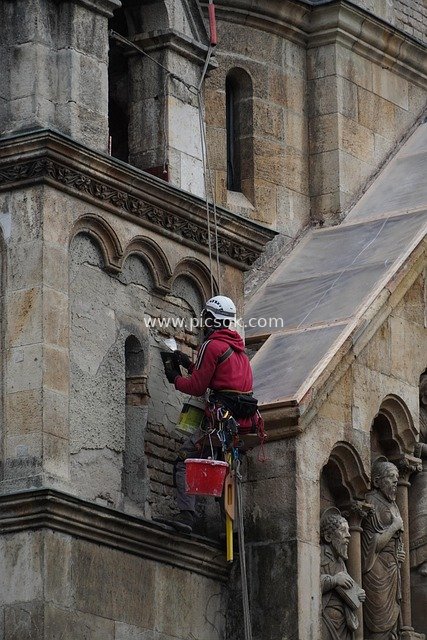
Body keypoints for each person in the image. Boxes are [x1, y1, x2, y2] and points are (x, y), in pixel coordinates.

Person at [162, 295, 259, 533]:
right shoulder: (240, 353)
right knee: (223, 469)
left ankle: (187, 515)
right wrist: (188, 363)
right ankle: (233, 531)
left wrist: (175, 378)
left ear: (212, 320)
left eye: (206, 318)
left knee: (185, 459)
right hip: (240, 424)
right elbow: (220, 378)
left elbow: (197, 386)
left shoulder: (211, 345)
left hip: (219, 423)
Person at [362, 459, 404, 640]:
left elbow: (397, 538)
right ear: (377, 481)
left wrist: (399, 553)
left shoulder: (393, 504)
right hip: (375, 568)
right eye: (390, 477)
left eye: (397, 478)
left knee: (391, 625)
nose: (395, 481)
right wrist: (394, 527)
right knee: (378, 622)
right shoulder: (371, 501)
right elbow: (370, 543)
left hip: (392, 567)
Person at [320, 508, 365, 640]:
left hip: (343, 623)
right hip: (326, 621)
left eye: (348, 531)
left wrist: (357, 594)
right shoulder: (319, 554)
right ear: (328, 537)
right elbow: (308, 584)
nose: (349, 535)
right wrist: (334, 580)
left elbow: (346, 588)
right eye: (342, 531)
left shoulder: (340, 561)